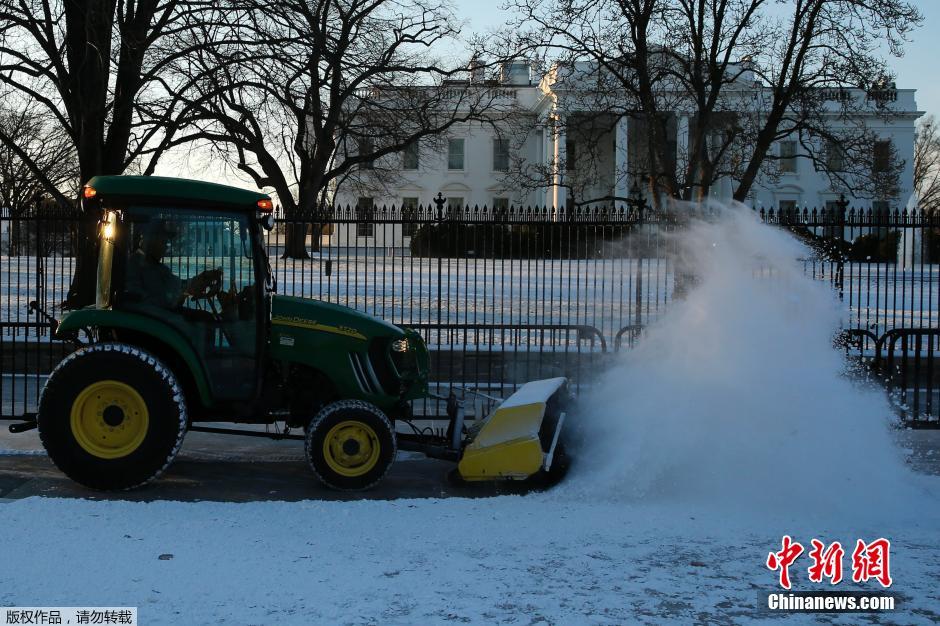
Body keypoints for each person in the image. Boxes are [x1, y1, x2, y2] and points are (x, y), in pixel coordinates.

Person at [125, 219, 225, 310]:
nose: (165, 247)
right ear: (150, 240)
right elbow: (146, 304)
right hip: (157, 321)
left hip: (164, 318)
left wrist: (203, 278)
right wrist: (182, 292)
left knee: (203, 317)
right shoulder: (135, 267)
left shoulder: (157, 267)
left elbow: (178, 285)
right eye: (163, 241)